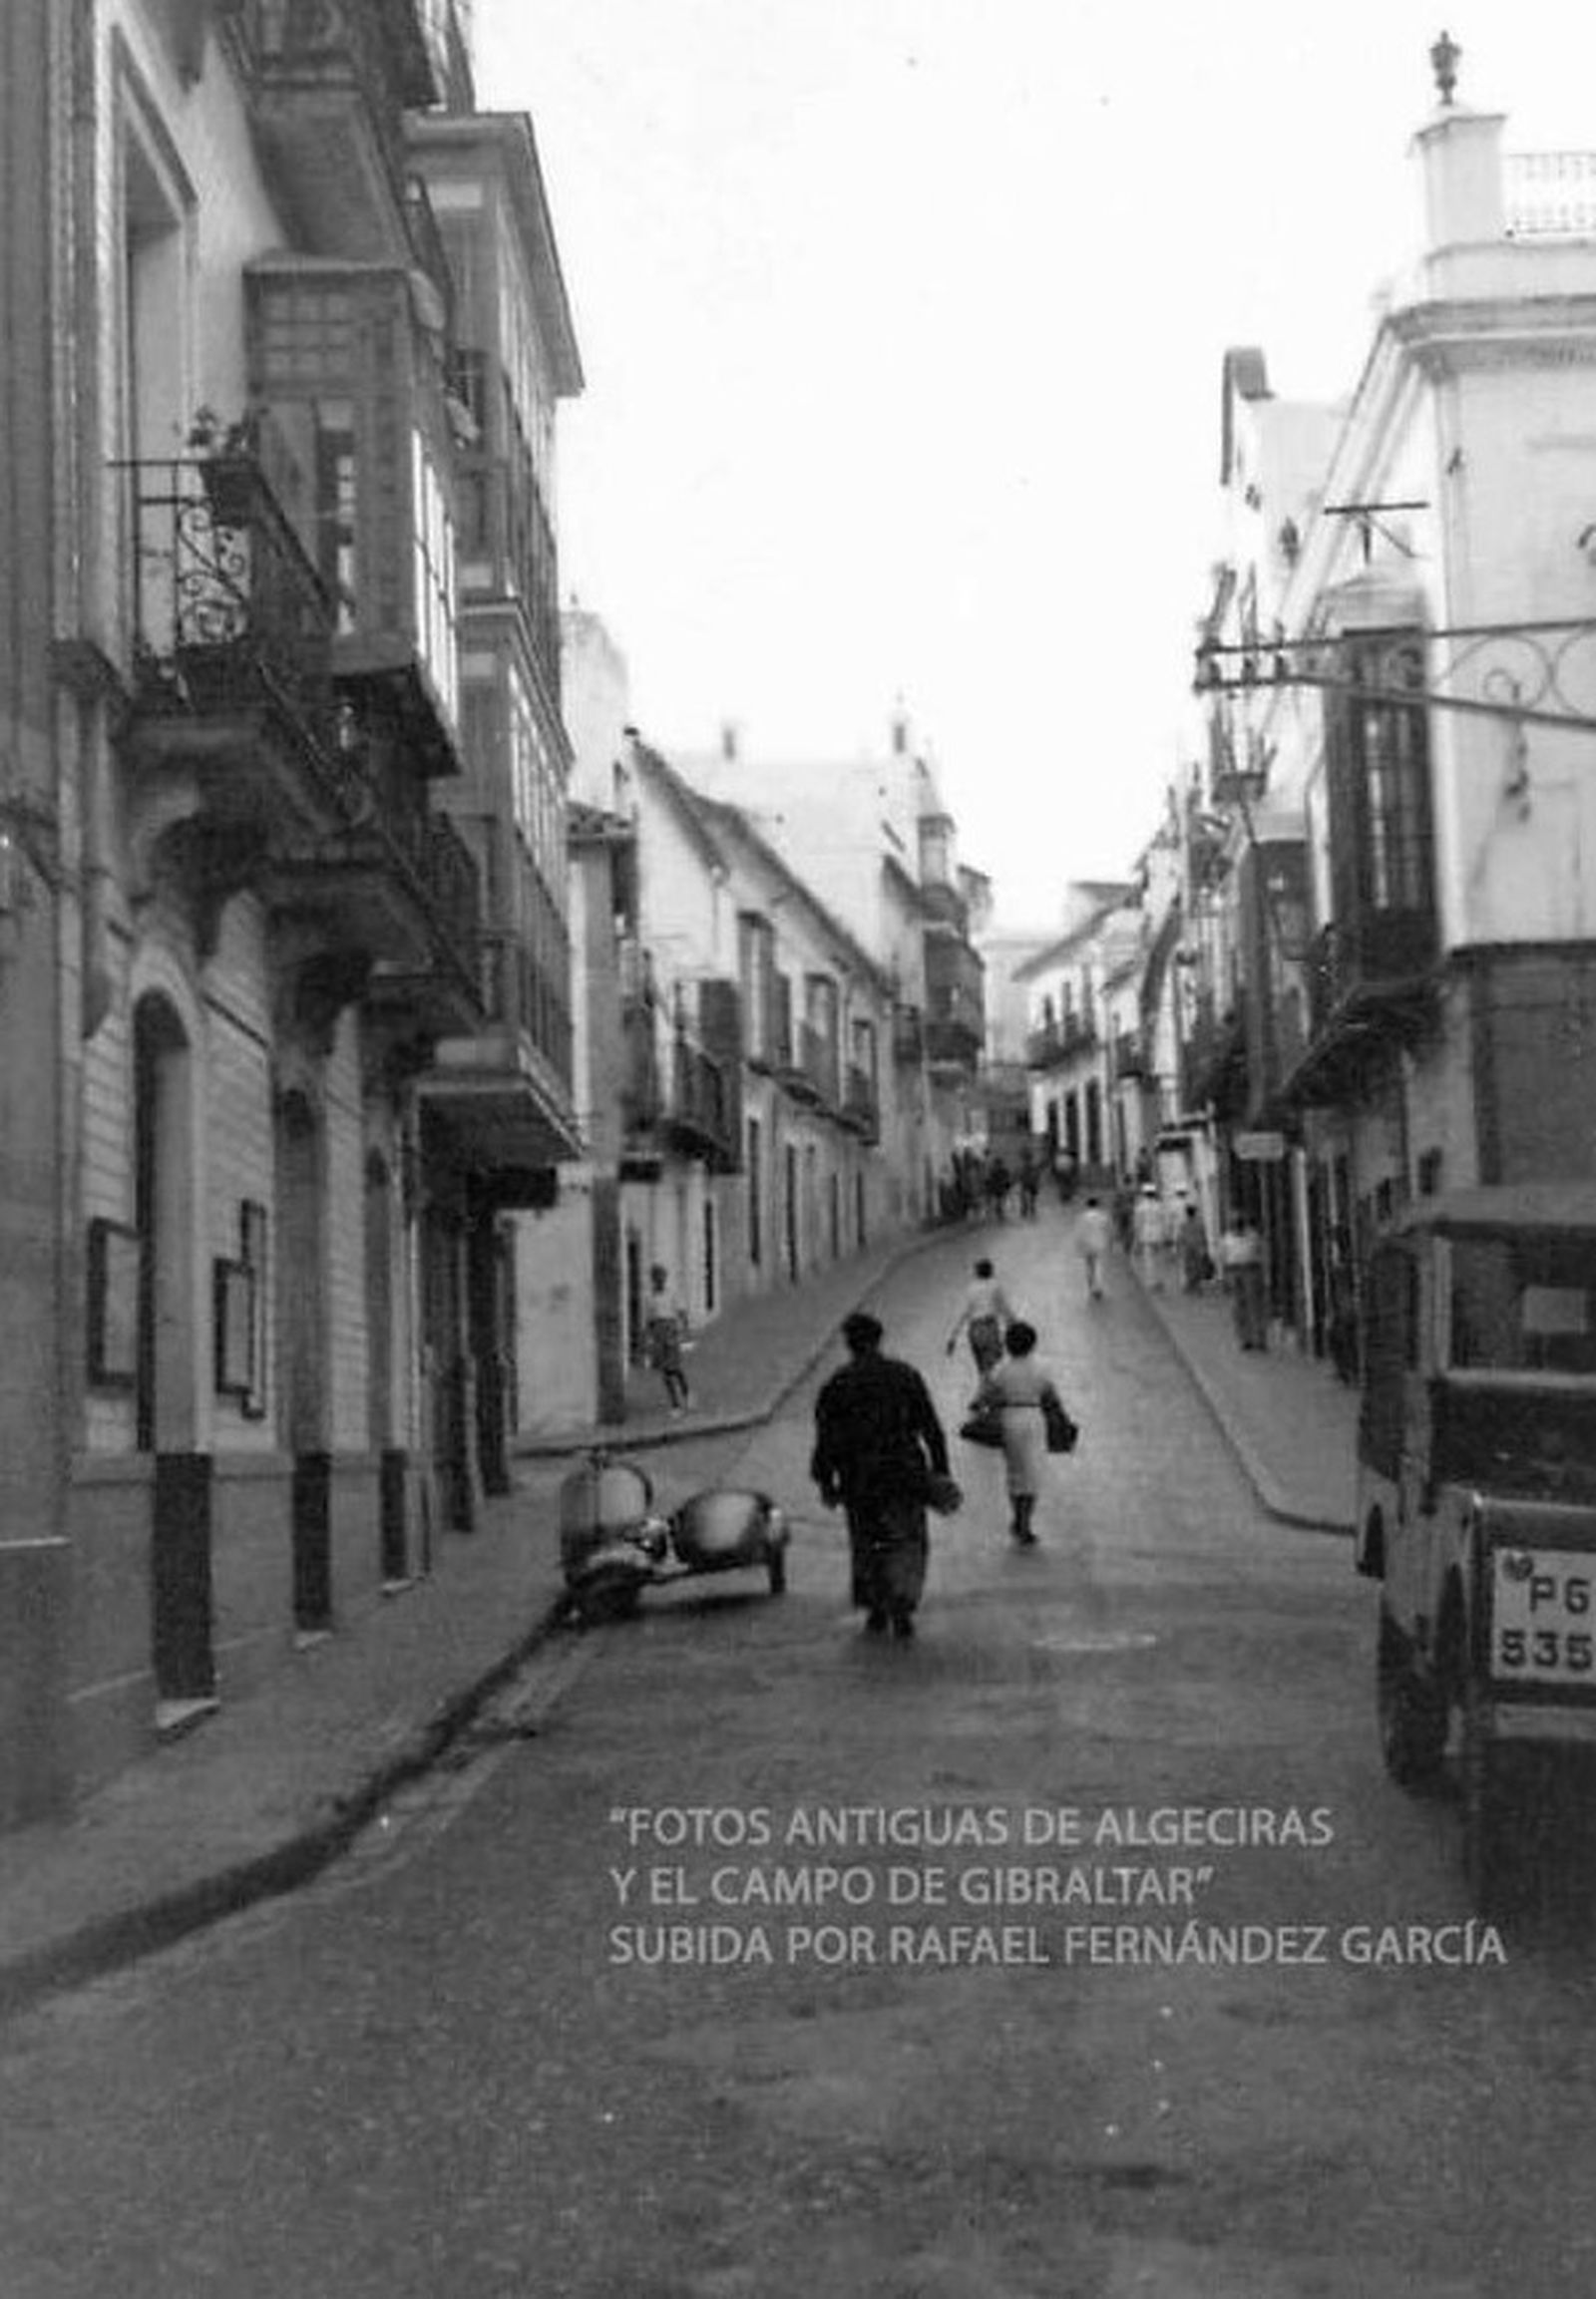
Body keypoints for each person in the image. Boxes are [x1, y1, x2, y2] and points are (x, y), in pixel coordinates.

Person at [811, 1312, 950, 1639]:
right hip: (904, 1472)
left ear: (849, 1344)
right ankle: (901, 1604)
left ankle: (875, 1605)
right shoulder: (904, 1376)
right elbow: (931, 1427)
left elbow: (827, 1437)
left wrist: (825, 1481)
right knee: (905, 1540)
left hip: (858, 1478)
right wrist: (940, 1472)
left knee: (867, 1540)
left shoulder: (837, 1385)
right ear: (879, 1339)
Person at [972, 1320, 1071, 1547]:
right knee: (1033, 1473)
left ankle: (1018, 1516)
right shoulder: (1042, 1367)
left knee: (1015, 1471)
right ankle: (1025, 1520)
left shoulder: (1001, 1368)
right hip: (1034, 1418)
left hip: (1010, 1419)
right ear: (1032, 1343)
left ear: (1007, 1344)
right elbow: (1051, 1396)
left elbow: (985, 1397)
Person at [946, 1258, 1013, 1374]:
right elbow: (1005, 1310)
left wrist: (952, 1338)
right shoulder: (995, 1286)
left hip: (974, 1330)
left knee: (982, 1370)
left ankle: (984, 1387)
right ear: (991, 1271)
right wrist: (1014, 1327)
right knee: (995, 1368)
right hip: (989, 1328)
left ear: (977, 1273)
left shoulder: (971, 1289)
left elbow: (963, 1314)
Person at [643, 1263, 691, 1412]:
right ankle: (675, 1403)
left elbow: (681, 1313)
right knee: (665, 1372)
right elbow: (650, 1319)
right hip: (658, 1333)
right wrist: (649, 1338)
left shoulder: (672, 1294)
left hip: (670, 1330)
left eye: (661, 1277)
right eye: (656, 1277)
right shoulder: (650, 1297)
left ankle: (687, 1394)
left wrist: (684, 1330)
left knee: (675, 1368)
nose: (659, 1280)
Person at [1220, 1217, 1268, 1350]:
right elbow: (1223, 1258)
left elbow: (1261, 1252)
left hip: (1250, 1270)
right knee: (1238, 1306)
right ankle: (1244, 1339)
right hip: (1234, 1271)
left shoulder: (1253, 1236)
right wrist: (1224, 1277)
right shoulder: (1227, 1239)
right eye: (1235, 1226)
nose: (1238, 1228)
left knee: (1255, 1305)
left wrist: (1262, 1272)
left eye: (1239, 1225)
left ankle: (1259, 1338)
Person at [1074, 1195, 1113, 1301]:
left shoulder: (1082, 1218)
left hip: (1087, 1245)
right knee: (1099, 1266)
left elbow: (1079, 1234)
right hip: (1100, 1244)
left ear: (1087, 1206)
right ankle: (1099, 1288)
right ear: (1097, 1205)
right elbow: (1109, 1231)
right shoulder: (1103, 1217)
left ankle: (1091, 1287)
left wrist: (1078, 1247)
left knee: (1089, 1266)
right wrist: (1110, 1244)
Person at [1132, 1185, 1167, 1292]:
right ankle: (1160, 1280)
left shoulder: (1140, 1207)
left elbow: (1137, 1224)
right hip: (1158, 1232)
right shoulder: (1159, 1205)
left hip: (1146, 1233)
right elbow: (1163, 1220)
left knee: (1149, 1259)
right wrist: (1164, 1234)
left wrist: (1137, 1239)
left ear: (1144, 1194)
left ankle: (1152, 1282)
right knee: (1159, 1258)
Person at [1179, 1199, 1212, 1294]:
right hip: (1198, 1248)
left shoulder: (1183, 1224)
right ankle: (1197, 1287)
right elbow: (1203, 1236)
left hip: (1188, 1248)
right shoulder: (1200, 1223)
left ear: (1186, 1213)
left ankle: (1190, 1286)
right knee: (1198, 1267)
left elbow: (1181, 1238)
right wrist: (1205, 1247)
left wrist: (1180, 1248)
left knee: (1189, 1267)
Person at [1016, 1150, 1040, 1221]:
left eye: (1027, 1159)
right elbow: (1019, 1176)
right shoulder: (1024, 1167)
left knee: (1031, 1202)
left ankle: (1029, 1214)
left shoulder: (1032, 1167)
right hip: (1027, 1184)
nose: (1026, 1161)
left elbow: (1037, 1176)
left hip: (1030, 1185)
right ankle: (1026, 1214)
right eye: (1026, 1159)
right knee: (1026, 1201)